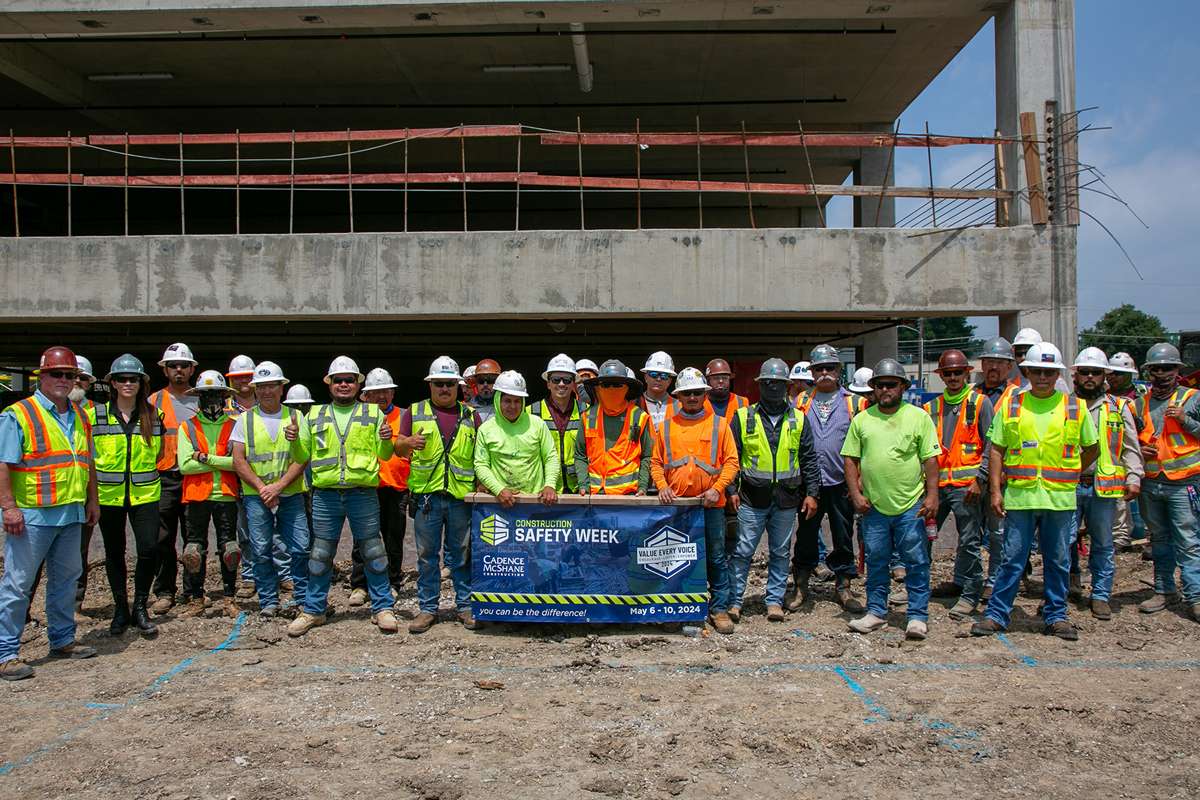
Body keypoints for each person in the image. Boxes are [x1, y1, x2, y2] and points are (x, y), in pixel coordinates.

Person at [971, 343, 1099, 641]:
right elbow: (997, 451)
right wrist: (995, 491)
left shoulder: (1074, 407)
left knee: (1057, 561)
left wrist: (1072, 471)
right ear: (1026, 371)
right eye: (1037, 371)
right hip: (1020, 497)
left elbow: (1092, 448)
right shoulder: (1013, 405)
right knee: (1012, 559)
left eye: (1049, 372)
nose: (1043, 377)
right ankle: (997, 614)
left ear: (1057, 375)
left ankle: (1056, 615)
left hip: (1059, 499)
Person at [0, 346, 100, 681]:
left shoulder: (80, 415)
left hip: (71, 513)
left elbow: (87, 463)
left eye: (69, 375)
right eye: (56, 374)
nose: (63, 380)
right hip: (33, 515)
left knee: (66, 580)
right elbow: (4, 464)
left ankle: (62, 640)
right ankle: (6, 652)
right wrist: (9, 507)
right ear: (41, 376)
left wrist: (92, 501)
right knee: (18, 584)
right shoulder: (19, 414)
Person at [287, 356, 399, 637]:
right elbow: (302, 456)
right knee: (320, 554)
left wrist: (387, 439)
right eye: (339, 380)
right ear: (330, 385)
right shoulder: (314, 416)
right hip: (325, 494)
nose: (344, 384)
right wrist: (293, 441)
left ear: (357, 384)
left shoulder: (373, 414)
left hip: (362, 493)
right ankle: (313, 610)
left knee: (373, 550)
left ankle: (382, 607)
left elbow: (385, 455)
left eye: (350, 379)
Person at [841, 358, 940, 639]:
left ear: (903, 387)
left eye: (891, 385)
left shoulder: (918, 417)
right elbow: (851, 460)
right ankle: (875, 612)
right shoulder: (863, 420)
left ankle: (918, 616)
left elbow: (931, 459)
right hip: (874, 507)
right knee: (877, 560)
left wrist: (932, 496)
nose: (885, 390)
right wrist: (856, 494)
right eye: (880, 385)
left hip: (910, 506)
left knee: (916, 560)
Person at [728, 358, 821, 622]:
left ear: (787, 386)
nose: (773, 388)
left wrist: (812, 493)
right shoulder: (744, 416)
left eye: (778, 384)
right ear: (760, 385)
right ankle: (735, 601)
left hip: (787, 499)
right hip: (751, 498)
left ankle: (774, 601)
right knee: (743, 551)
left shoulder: (799, 419)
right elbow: (732, 458)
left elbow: (809, 459)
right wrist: (731, 490)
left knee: (780, 552)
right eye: (768, 383)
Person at [394, 356, 481, 634]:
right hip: (428, 499)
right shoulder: (414, 411)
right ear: (430, 385)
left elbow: (481, 456)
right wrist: (407, 442)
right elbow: (397, 448)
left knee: (462, 555)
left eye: (449, 384)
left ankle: (465, 606)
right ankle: (428, 608)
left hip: (459, 498)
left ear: (458, 386)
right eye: (439, 384)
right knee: (426, 555)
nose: (444, 389)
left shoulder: (471, 415)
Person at [651, 367, 739, 634]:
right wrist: (663, 486)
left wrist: (719, 488)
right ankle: (676, 608)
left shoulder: (719, 425)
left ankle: (719, 609)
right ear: (678, 396)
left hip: (710, 505)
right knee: (675, 559)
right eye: (687, 393)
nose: (692, 398)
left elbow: (732, 462)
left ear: (705, 395)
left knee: (714, 556)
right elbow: (656, 463)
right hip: (677, 506)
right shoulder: (666, 427)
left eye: (697, 393)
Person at [230, 361, 311, 619]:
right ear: (255, 390)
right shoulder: (245, 420)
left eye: (271, 386)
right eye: (261, 387)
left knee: (300, 547)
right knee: (261, 549)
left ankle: (302, 597)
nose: (266, 391)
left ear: (281, 388)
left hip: (290, 493)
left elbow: (303, 458)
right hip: (257, 496)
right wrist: (263, 487)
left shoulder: (296, 417)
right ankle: (268, 601)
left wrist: (278, 486)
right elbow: (238, 460)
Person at [789, 344, 867, 613]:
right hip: (809, 483)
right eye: (819, 369)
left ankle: (843, 585)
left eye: (829, 368)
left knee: (843, 534)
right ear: (812, 372)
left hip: (841, 481)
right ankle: (801, 584)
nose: (824, 373)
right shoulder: (801, 401)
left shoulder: (855, 402)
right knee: (807, 535)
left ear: (838, 370)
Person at [92, 354, 163, 636]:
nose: (128, 383)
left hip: (145, 495)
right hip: (109, 497)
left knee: (148, 549)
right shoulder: (95, 416)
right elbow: (88, 457)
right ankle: (121, 608)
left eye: (133, 379)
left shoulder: (153, 415)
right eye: (122, 379)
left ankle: (141, 607)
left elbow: (157, 453)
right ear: (112, 383)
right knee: (114, 552)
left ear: (141, 383)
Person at [1069, 348, 1142, 620]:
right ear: (1076, 375)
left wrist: (1134, 477)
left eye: (1095, 372)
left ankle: (1100, 595)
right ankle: (1070, 584)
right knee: (1064, 541)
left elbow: (1131, 448)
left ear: (1104, 375)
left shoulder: (1119, 407)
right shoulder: (1066, 405)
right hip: (1068, 485)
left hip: (1103, 487)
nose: (1089, 377)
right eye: (1084, 372)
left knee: (1102, 543)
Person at [923, 350, 994, 620]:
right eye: (948, 373)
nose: (953, 378)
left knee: (969, 541)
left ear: (966, 373)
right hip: (937, 486)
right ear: (941, 376)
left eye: (957, 373)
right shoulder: (931, 408)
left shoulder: (980, 403)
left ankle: (970, 592)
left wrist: (981, 479)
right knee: (922, 537)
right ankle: (917, 586)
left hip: (967, 487)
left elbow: (991, 445)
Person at [1133, 343, 1200, 621]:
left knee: (1188, 541)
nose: (1161, 374)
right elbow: (1131, 439)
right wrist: (1139, 447)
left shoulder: (1192, 399)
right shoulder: (1140, 403)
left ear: (1177, 371)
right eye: (1155, 369)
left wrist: (1187, 421)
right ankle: (1164, 590)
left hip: (1183, 482)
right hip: (1152, 482)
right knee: (1159, 540)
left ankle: (1195, 596)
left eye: (1167, 368)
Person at [177, 370, 242, 618]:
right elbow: (185, 466)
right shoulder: (188, 427)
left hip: (225, 494)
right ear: (198, 398)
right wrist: (221, 461)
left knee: (230, 549)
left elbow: (238, 463)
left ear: (225, 397)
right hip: (196, 495)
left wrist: (204, 457)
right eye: (206, 395)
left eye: (216, 394)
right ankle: (195, 598)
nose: (211, 400)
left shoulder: (234, 426)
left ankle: (228, 597)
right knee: (194, 550)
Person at [347, 368, 410, 606]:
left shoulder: (405, 417)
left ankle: (393, 582)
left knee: (394, 539)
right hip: (367, 486)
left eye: (385, 391)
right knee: (362, 538)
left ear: (392, 393)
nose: (381, 396)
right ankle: (360, 585)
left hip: (396, 487)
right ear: (366, 396)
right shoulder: (359, 417)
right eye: (375, 392)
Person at [148, 342, 199, 615]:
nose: (178, 370)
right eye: (172, 366)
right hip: (165, 477)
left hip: (195, 476)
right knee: (162, 538)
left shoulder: (203, 399)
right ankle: (165, 591)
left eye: (183, 365)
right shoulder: (153, 402)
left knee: (194, 537)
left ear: (192, 369)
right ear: (165, 370)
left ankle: (193, 592)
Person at [475, 370, 559, 509]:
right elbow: (481, 465)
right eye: (507, 401)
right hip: (500, 503)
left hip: (535, 501)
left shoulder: (537, 424)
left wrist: (549, 485)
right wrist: (498, 490)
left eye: (517, 401)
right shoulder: (486, 429)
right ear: (498, 400)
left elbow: (550, 457)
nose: (513, 406)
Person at [576, 360, 655, 495]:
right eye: (606, 384)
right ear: (598, 388)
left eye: (617, 384)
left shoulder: (639, 417)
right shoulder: (587, 417)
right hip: (594, 494)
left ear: (627, 388)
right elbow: (580, 455)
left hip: (629, 495)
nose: (611, 389)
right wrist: (583, 484)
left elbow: (648, 456)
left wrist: (642, 487)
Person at [1105, 351, 1145, 552]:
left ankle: (1128, 535)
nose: (1113, 377)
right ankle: (1119, 537)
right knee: (1118, 502)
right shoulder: (1105, 399)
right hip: (1112, 455)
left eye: (1119, 373)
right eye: (1111, 373)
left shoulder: (1140, 400)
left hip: (1137, 454)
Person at [530, 354, 585, 495]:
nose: (561, 384)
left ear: (573, 384)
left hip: (579, 490)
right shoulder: (530, 413)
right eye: (556, 379)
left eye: (567, 380)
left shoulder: (587, 412)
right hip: (543, 490)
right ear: (548, 383)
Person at [704, 359, 750, 423]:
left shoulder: (742, 402)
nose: (721, 381)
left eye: (725, 378)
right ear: (708, 380)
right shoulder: (700, 402)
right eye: (716, 378)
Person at [639, 351, 676, 428]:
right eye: (654, 374)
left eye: (664, 376)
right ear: (646, 377)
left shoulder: (679, 405)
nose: (658, 379)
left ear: (669, 381)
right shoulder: (635, 404)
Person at [470, 359, 502, 423]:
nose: (485, 385)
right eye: (481, 381)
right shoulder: (467, 408)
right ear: (476, 383)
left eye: (490, 380)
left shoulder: (506, 407)